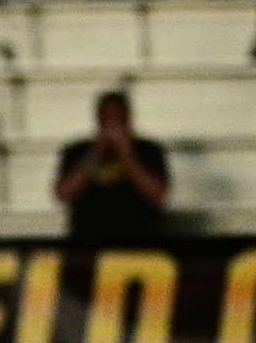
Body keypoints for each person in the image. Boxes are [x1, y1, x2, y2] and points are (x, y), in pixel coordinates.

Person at [53, 90, 169, 245]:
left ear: (128, 118)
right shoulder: (77, 151)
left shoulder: (148, 150)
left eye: (117, 118)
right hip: (87, 244)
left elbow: (157, 195)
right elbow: (64, 194)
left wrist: (128, 156)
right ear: (98, 119)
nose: (112, 124)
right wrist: (96, 153)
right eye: (107, 118)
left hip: (139, 244)